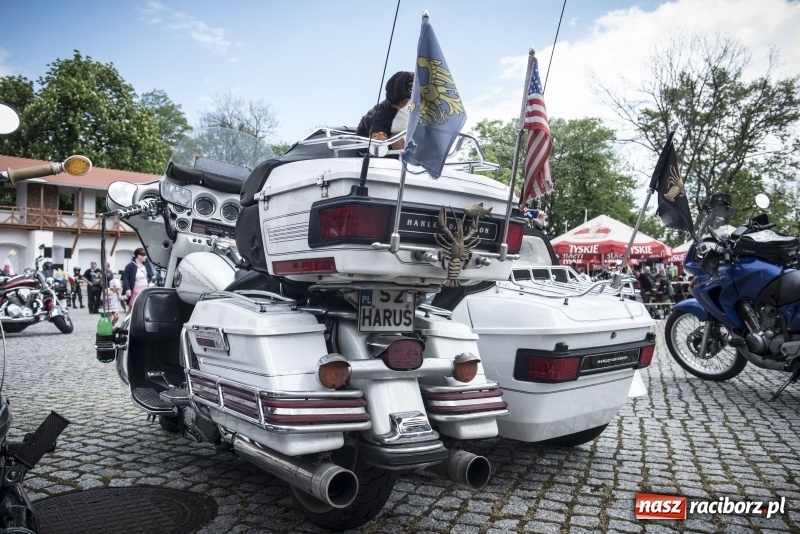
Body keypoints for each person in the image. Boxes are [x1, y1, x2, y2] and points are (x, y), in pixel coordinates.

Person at [356, 71, 414, 150]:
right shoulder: (384, 113)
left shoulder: (415, 110)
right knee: (397, 142)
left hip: (401, 142)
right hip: (370, 149)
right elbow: (377, 131)